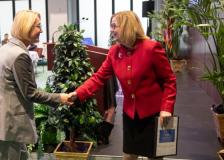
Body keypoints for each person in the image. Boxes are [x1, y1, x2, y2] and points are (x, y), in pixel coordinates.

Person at [68, 11, 177, 160]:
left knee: (155, 156)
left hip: (155, 115)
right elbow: (98, 77)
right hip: (130, 115)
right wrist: (77, 93)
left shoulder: (152, 48)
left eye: (114, 26)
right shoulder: (114, 51)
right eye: (111, 26)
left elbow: (169, 81)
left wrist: (166, 109)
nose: (111, 30)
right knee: (128, 156)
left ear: (127, 26)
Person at [0, 10, 72, 160]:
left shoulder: (6, 48)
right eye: (38, 26)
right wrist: (60, 98)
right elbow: (30, 93)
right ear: (26, 27)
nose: (41, 30)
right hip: (7, 123)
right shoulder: (19, 55)